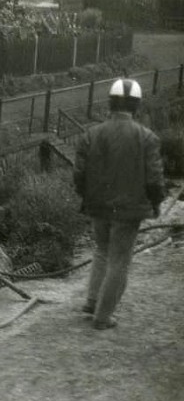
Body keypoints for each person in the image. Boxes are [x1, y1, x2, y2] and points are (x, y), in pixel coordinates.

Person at [73, 78, 165, 330]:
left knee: (102, 251)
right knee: (119, 261)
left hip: (98, 206)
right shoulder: (147, 137)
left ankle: (92, 301)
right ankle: (103, 317)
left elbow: (79, 175)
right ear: (136, 105)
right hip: (128, 210)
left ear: (110, 103)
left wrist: (87, 197)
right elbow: (154, 179)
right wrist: (156, 202)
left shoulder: (91, 134)